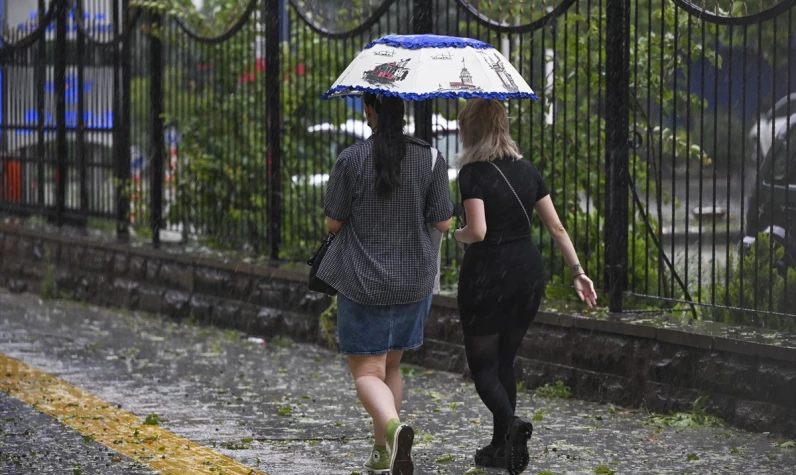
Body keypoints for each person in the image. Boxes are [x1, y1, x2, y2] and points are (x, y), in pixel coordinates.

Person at [451, 99, 597, 474]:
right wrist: (578, 271)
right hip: (527, 274)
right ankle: (501, 448)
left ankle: (512, 426)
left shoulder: (471, 174)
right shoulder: (528, 170)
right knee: (506, 362)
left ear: (471, 129)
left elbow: (478, 231)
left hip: (488, 276)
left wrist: (458, 234)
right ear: (502, 125)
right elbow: (556, 227)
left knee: (484, 367)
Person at [317, 92, 454, 475]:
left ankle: (393, 428)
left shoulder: (352, 158)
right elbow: (443, 222)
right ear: (405, 110)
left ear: (369, 110)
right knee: (391, 365)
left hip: (363, 282)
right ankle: (382, 450)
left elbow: (334, 221)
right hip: (414, 282)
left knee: (366, 372)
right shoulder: (430, 157)